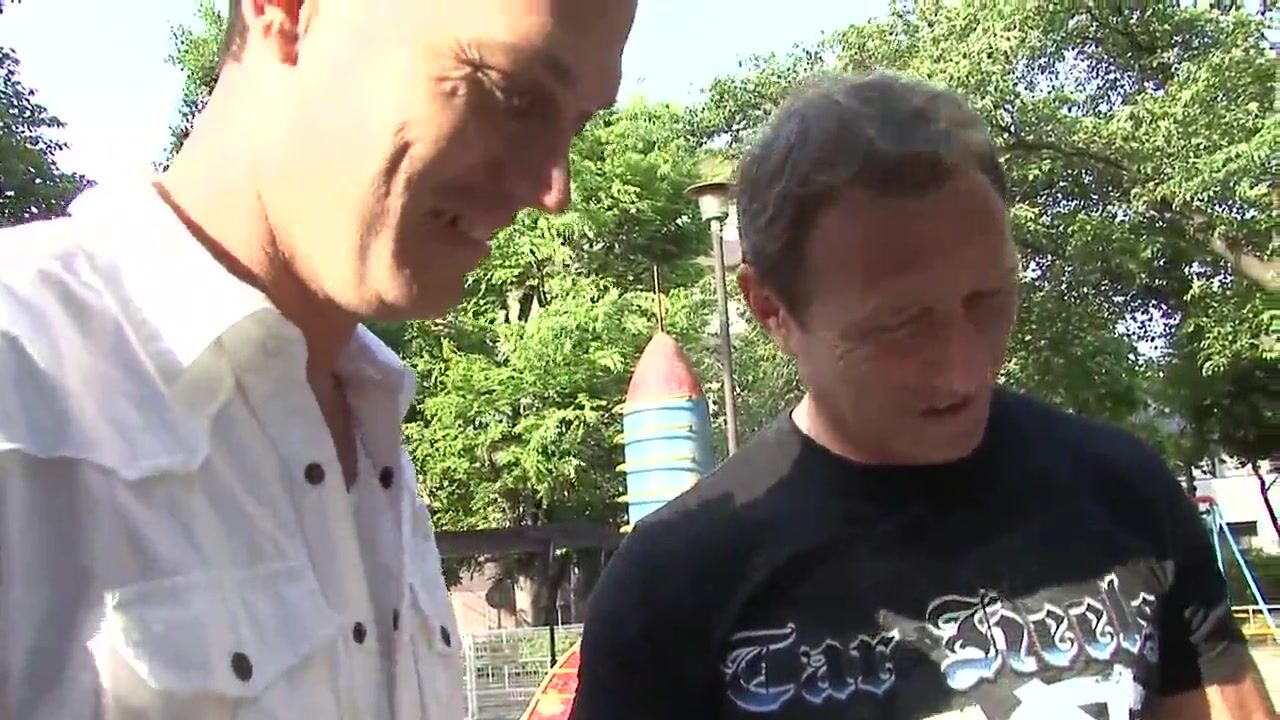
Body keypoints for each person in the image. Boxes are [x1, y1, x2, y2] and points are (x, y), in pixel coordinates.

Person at [569, 73, 1274, 720]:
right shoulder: (672, 587)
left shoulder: (1127, 494)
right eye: (898, 326)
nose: (964, 369)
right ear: (771, 308)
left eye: (989, 299)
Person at [0, 0, 636, 717]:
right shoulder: (23, 378)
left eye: (577, 124)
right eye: (509, 92)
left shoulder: (371, 424)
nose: (553, 188)